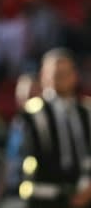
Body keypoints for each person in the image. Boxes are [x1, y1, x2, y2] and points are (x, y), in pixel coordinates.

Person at [15, 48, 91, 207]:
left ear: (75, 76)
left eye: (66, 73)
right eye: (56, 74)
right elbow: (25, 158)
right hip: (45, 198)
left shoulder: (86, 111)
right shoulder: (32, 113)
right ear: (43, 76)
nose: (62, 78)